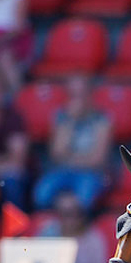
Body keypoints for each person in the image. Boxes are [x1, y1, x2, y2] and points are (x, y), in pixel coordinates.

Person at [32, 75, 111, 212]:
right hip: (62, 170)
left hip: (91, 173)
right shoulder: (61, 117)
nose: (77, 100)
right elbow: (56, 153)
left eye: (81, 95)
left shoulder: (102, 119)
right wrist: (70, 121)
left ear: (90, 94)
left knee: (83, 200)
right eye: (73, 95)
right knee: (41, 196)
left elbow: (98, 160)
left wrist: (70, 159)